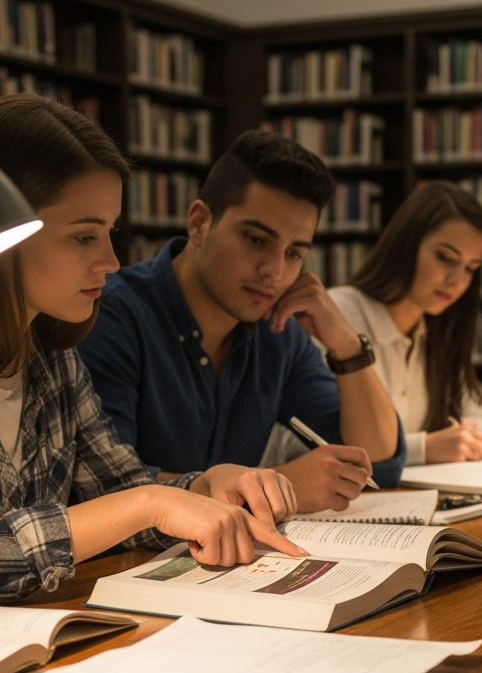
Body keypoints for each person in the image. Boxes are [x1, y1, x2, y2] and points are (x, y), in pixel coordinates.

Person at [0, 95, 307, 631]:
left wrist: (207, 487)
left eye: (110, 233)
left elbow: (118, 494)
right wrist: (148, 503)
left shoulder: (50, 360)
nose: (111, 262)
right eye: (84, 236)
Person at [78, 131, 406, 513]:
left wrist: (347, 346)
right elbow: (108, 491)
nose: (275, 271)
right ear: (199, 222)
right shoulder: (112, 314)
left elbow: (377, 466)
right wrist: (270, 486)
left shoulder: (278, 331)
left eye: (294, 253)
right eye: (256, 239)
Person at [326, 182, 482, 466]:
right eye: (445, 258)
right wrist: (424, 448)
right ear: (405, 245)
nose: (457, 280)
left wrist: (468, 435)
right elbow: (318, 445)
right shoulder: (335, 317)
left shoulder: (440, 331)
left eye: (470, 268)